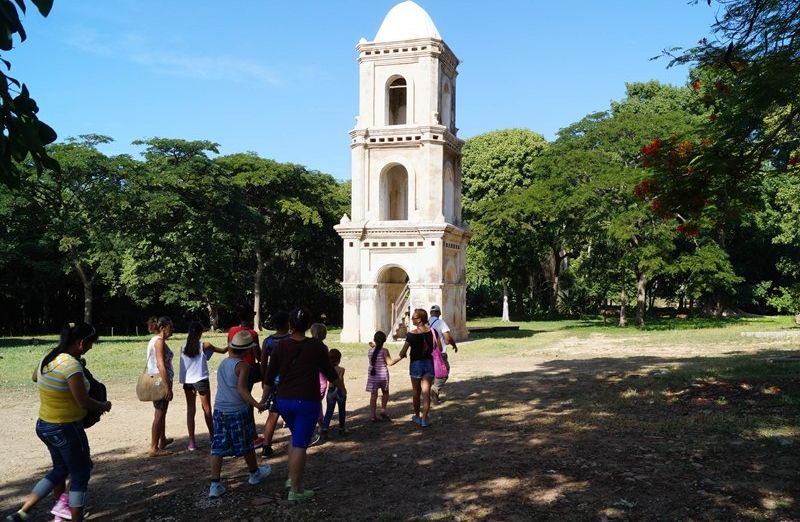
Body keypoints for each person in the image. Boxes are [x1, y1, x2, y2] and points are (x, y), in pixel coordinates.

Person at [6, 323, 112, 522]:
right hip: (66, 427)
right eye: (90, 344)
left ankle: (22, 512)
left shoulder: (49, 358)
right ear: (81, 343)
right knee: (81, 473)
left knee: (60, 469)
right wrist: (103, 405)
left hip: (45, 425)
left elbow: (34, 377)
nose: (91, 347)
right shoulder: (70, 365)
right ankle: (75, 518)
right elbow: (83, 401)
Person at [262, 306, 341, 502]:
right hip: (307, 401)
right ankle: (295, 490)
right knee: (300, 445)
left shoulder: (280, 346)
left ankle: (291, 478)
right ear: (308, 325)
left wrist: (263, 399)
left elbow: (269, 376)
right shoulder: (317, 347)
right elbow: (330, 373)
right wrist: (342, 388)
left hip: (284, 401)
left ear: (290, 324)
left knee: (295, 437)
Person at [208, 331, 272, 497]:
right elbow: (242, 390)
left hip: (220, 409)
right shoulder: (243, 366)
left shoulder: (223, 364)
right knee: (246, 443)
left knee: (218, 446)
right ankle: (254, 474)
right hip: (237, 410)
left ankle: (215, 485)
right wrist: (257, 403)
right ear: (247, 350)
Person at [180, 321, 226, 451]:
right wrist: (230, 345)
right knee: (207, 409)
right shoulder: (204, 345)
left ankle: (192, 442)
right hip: (201, 379)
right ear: (200, 333)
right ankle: (213, 436)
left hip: (188, 381)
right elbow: (222, 351)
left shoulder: (183, 347)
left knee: (190, 410)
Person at [228, 304, 263, 448]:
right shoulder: (252, 334)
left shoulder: (232, 330)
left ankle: (237, 433)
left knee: (237, 401)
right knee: (248, 404)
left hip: (233, 368)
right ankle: (253, 436)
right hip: (247, 370)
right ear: (250, 316)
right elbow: (258, 356)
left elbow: (230, 350)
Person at [259, 311, 290, 459]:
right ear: (287, 323)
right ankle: (300, 441)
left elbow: (263, 363)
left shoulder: (268, 341)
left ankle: (266, 445)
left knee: (273, 413)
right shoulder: (291, 339)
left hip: (274, 381)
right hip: (290, 380)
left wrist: (265, 380)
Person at [398, 308, 436, 428]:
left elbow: (403, 351)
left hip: (416, 364)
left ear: (419, 320)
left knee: (416, 391)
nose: (412, 319)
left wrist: (401, 355)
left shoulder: (411, 335)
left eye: (413, 317)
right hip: (429, 363)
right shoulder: (432, 331)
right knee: (426, 393)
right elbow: (437, 346)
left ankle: (417, 416)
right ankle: (424, 419)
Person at [147, 317, 175, 457]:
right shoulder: (159, 342)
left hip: (157, 380)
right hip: (159, 381)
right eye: (171, 327)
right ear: (163, 328)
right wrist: (167, 386)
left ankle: (162, 440)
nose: (173, 330)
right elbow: (160, 365)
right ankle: (154, 447)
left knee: (162, 412)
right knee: (159, 414)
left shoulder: (155, 340)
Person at [366, 330, 401, 422]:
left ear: (374, 340)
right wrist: (400, 357)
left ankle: (373, 416)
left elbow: (376, 352)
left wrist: (373, 346)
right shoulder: (384, 351)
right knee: (385, 392)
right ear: (384, 340)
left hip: (373, 376)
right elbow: (390, 362)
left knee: (373, 395)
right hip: (383, 376)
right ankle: (383, 410)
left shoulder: (370, 351)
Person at [428, 304, 458, 404]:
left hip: (427, 354)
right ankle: (435, 389)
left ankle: (433, 396)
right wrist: (454, 345)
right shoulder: (440, 323)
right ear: (439, 313)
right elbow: (448, 337)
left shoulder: (425, 322)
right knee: (444, 371)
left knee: (432, 373)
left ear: (430, 313)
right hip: (439, 353)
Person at [309, 322, 329, 446]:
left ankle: (319, 426)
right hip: (321, 378)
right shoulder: (323, 347)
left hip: (311, 379)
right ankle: (321, 426)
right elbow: (326, 364)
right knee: (317, 404)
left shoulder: (307, 345)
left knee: (314, 404)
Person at [320, 349, 347, 438]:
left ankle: (325, 428)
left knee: (329, 410)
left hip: (331, 391)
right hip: (339, 391)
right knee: (341, 410)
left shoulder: (327, 369)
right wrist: (343, 390)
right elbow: (340, 380)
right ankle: (341, 428)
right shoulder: (341, 369)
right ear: (339, 360)